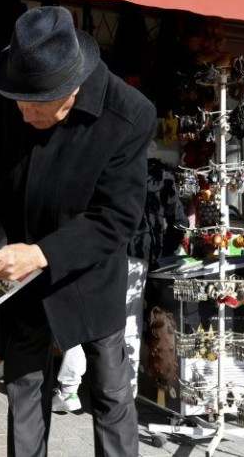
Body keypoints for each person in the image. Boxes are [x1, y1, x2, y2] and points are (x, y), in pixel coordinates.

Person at [0, 6, 156, 456]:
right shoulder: (5, 100)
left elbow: (117, 216)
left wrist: (39, 254)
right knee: (25, 386)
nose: (23, 110)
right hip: (18, 270)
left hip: (88, 269)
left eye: (37, 102)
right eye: (18, 98)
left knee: (111, 391)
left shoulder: (129, 113)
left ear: (71, 89)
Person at [52, 158, 188, 412]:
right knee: (130, 321)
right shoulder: (162, 176)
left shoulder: (110, 162)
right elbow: (180, 222)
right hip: (139, 256)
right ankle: (128, 389)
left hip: (102, 251)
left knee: (84, 316)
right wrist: (160, 251)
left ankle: (69, 389)